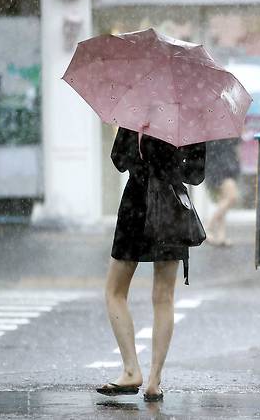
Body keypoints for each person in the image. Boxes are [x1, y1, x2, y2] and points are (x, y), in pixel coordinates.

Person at [98, 126, 205, 402]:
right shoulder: (188, 114)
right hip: (171, 207)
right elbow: (196, 174)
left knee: (115, 291)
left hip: (137, 203)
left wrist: (123, 132)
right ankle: (155, 380)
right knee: (164, 296)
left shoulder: (138, 110)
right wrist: (171, 163)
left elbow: (120, 160)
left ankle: (131, 369)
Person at [204, 138, 240, 246]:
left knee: (223, 200)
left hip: (216, 168)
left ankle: (221, 236)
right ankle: (207, 227)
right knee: (232, 197)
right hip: (222, 169)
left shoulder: (214, 133)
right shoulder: (225, 133)